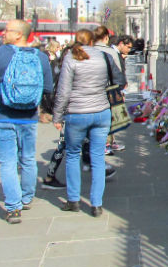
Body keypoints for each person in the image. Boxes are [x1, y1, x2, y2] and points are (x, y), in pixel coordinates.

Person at [0, 19, 53, 224]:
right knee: (28, 158)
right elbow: (48, 88)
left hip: (2, 115)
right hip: (29, 117)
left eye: (8, 30)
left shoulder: (1, 53)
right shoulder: (40, 56)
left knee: (8, 162)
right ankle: (27, 197)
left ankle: (13, 207)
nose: (3, 33)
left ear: (19, 34)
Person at [52, 29, 123, 217]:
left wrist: (57, 115)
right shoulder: (102, 56)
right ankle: (96, 204)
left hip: (77, 113)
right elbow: (119, 80)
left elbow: (63, 91)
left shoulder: (71, 57)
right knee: (98, 158)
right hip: (101, 112)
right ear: (92, 41)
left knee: (73, 155)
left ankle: (73, 200)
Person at [93, 26, 127, 154]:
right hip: (108, 89)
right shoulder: (110, 52)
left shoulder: (88, 51)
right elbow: (118, 75)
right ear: (106, 37)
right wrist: (120, 90)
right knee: (109, 118)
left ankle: (100, 143)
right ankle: (108, 142)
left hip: (91, 91)